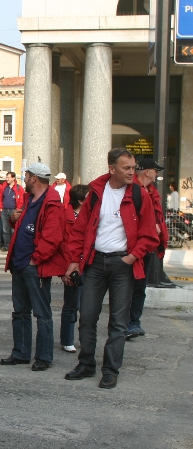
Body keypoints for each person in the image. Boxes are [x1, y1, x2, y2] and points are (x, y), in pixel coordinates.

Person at [63, 148, 159, 389]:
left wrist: (132, 257)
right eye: (126, 168)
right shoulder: (96, 192)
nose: (131, 172)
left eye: (133, 167)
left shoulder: (140, 195)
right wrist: (74, 260)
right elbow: (80, 229)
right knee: (86, 317)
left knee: (118, 322)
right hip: (95, 262)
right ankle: (86, 364)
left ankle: (110, 370)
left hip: (122, 265)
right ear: (112, 169)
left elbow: (149, 235)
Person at [0, 162, 67, 371]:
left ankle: (44, 357)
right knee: (19, 311)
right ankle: (20, 353)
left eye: (26, 175)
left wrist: (35, 259)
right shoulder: (31, 199)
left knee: (41, 312)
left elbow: (53, 236)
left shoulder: (51, 202)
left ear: (34, 178)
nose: (25, 179)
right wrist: (13, 219)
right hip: (19, 264)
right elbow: (25, 226)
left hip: (33, 265)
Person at [128, 159, 168, 340]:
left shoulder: (152, 192)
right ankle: (125, 322)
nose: (157, 173)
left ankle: (134, 321)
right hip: (133, 247)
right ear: (146, 172)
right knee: (128, 286)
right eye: (155, 170)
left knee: (140, 286)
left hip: (149, 247)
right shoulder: (132, 190)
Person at [60, 184, 90, 353]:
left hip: (89, 264)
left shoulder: (91, 215)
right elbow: (64, 244)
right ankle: (67, 339)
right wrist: (67, 269)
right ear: (80, 200)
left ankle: (83, 339)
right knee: (71, 305)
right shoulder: (67, 216)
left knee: (87, 306)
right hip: (73, 265)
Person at [0, 171, 24, 252]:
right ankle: (6, 246)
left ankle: (14, 246)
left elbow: (22, 200)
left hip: (13, 211)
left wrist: (18, 209)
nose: (7, 179)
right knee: (5, 230)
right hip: (4, 210)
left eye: (9, 177)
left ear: (13, 178)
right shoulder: (3, 187)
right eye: (6, 177)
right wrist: (0, 208)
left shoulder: (19, 188)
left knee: (13, 230)